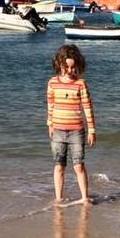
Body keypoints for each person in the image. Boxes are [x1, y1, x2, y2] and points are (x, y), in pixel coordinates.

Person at [47, 44, 96, 205]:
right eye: (66, 67)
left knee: (78, 166)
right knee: (59, 165)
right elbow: (51, 105)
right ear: (59, 65)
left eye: (73, 67)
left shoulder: (81, 84)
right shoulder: (52, 83)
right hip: (58, 130)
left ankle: (84, 197)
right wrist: (50, 125)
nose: (70, 71)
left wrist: (92, 130)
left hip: (76, 131)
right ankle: (59, 198)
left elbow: (87, 107)